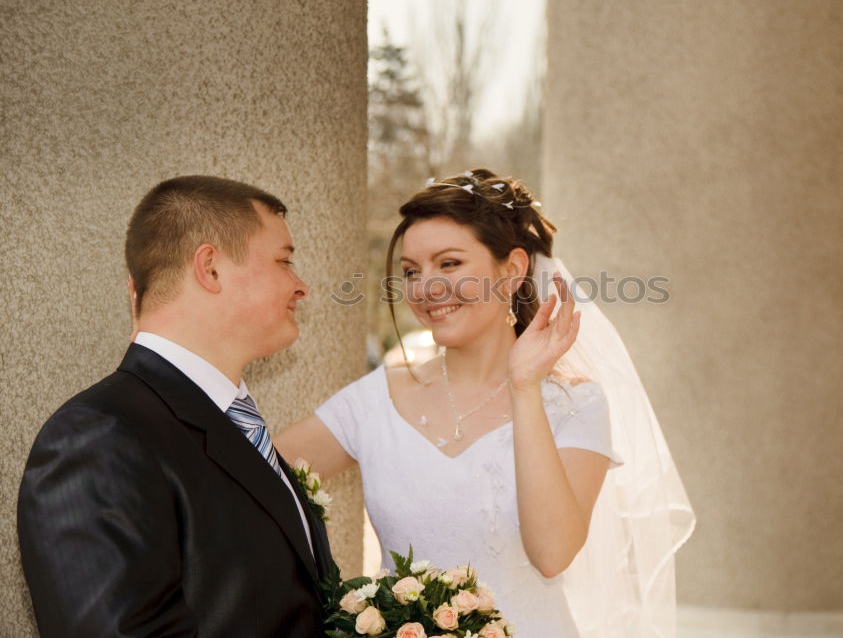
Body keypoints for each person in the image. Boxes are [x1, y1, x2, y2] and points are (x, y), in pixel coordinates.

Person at [277, 169, 695, 637]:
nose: (426, 287)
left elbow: (553, 554)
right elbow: (250, 478)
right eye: (412, 271)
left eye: (450, 264)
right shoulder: (375, 398)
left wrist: (525, 388)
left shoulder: (575, 403)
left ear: (513, 270)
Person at [17, 176, 336, 637]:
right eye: (284, 261)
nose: (301, 285)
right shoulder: (99, 437)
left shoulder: (234, 425)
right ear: (210, 268)